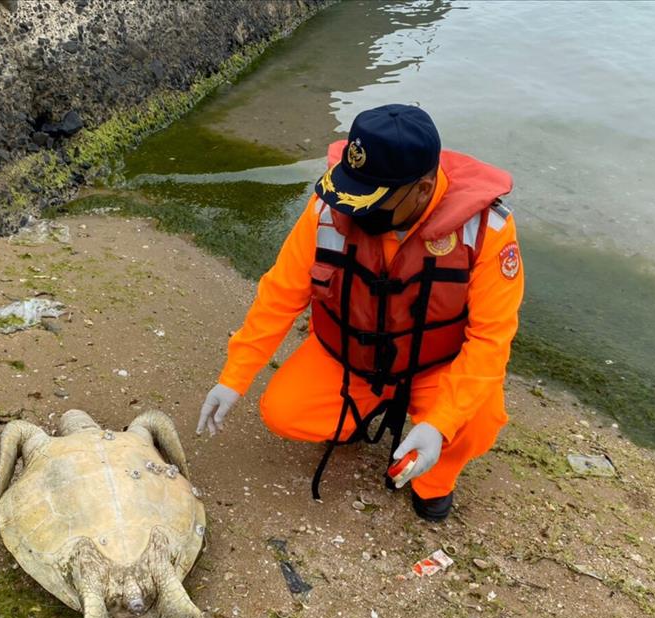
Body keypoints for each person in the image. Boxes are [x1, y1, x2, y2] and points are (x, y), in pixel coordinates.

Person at [197, 104, 523, 522]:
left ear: (423, 189)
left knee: (477, 421)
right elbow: (280, 294)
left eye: (373, 200)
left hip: (434, 368)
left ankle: (433, 480)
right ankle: (357, 416)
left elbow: (491, 342)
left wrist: (440, 424)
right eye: (353, 189)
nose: (354, 209)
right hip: (349, 359)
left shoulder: (488, 230)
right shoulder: (327, 212)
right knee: (283, 411)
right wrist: (234, 377)